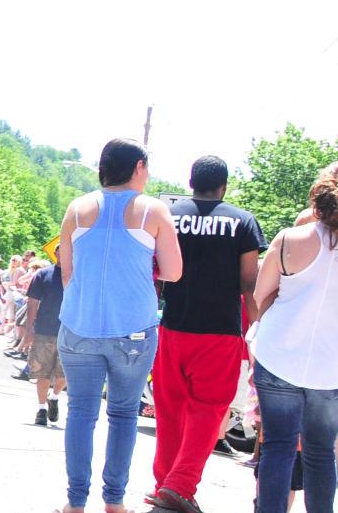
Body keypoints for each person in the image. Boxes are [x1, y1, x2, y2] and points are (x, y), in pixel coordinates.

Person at [53, 138, 184, 513]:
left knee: (81, 412)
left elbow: (67, 273)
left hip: (78, 325)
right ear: (138, 167)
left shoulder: (77, 209)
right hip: (133, 329)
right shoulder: (153, 211)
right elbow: (174, 272)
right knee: (124, 414)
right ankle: (114, 501)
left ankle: (75, 502)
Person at [146, 156, 265, 513]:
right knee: (209, 410)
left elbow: (155, 273)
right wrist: (257, 330)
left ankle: (164, 483)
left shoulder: (169, 216)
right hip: (219, 333)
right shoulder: (242, 221)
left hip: (173, 326)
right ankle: (180, 486)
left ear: (191, 182)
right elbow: (248, 282)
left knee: (169, 407)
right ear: (224, 186)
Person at [247, 163, 338, 513]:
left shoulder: (289, 239)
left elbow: (261, 295)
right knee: (321, 452)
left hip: (279, 356)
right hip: (330, 369)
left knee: (278, 447)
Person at [27, 261, 69, 427]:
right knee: (42, 372)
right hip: (44, 330)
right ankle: (41, 409)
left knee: (64, 374)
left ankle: (54, 397)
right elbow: (32, 302)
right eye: (59, 250)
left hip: (69, 332)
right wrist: (29, 328)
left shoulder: (78, 274)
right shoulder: (43, 274)